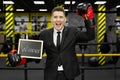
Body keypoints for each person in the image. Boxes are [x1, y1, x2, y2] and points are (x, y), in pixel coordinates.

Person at [7, 3, 95, 80]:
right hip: (51, 74)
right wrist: (21, 59)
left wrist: (89, 18)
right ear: (52, 19)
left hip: (69, 73)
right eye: (55, 17)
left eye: (61, 17)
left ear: (65, 19)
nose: (58, 20)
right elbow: (37, 53)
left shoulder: (73, 32)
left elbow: (90, 36)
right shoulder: (44, 34)